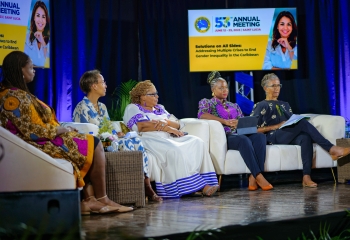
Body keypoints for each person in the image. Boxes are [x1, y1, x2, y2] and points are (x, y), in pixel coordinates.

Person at [0, 51, 133, 214]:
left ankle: (89, 201)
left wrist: (62, 128)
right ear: (20, 70)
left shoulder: (17, 93)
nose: (34, 70)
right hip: (34, 143)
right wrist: (58, 129)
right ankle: (101, 198)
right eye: (30, 67)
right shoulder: (11, 97)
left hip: (42, 138)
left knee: (89, 142)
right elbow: (29, 130)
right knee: (93, 143)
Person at [73, 70, 162, 202]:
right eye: (103, 82)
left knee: (136, 141)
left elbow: (107, 127)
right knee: (128, 144)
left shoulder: (102, 107)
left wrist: (116, 134)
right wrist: (108, 136)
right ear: (94, 86)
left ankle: (147, 185)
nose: (106, 85)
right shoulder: (82, 108)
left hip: (109, 141)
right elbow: (83, 133)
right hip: (96, 146)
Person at [251, 73, 350, 187]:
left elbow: (290, 123)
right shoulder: (260, 105)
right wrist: (275, 126)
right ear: (265, 88)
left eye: (278, 85)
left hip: (286, 134)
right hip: (272, 136)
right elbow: (252, 129)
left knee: (305, 137)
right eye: (273, 86)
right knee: (302, 123)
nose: (276, 88)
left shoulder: (285, 104)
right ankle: (332, 149)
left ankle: (306, 177)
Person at [123, 80, 219, 198]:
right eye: (153, 94)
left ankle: (204, 182)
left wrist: (165, 122)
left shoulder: (160, 108)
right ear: (142, 96)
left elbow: (178, 124)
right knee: (175, 150)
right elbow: (141, 126)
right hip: (150, 138)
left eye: (156, 93)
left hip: (170, 137)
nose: (157, 96)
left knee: (198, 142)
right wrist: (167, 128)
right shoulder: (133, 108)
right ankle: (199, 187)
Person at [198, 71, 273, 191]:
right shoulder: (206, 102)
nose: (224, 90)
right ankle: (259, 176)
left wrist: (239, 122)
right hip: (225, 136)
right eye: (221, 88)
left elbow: (242, 121)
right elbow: (202, 115)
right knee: (243, 140)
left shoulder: (234, 105)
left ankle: (252, 177)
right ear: (213, 89)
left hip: (238, 133)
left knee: (260, 137)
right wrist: (224, 121)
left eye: (226, 87)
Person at [24, 1, 50, 67]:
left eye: (43, 17)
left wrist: (43, 42)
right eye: (38, 15)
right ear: (34, 18)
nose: (40, 20)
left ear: (46, 20)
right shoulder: (26, 38)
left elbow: (49, 62)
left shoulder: (51, 40)